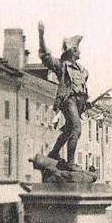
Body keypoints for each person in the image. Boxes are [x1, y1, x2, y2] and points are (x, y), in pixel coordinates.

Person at [38, 21, 89, 170]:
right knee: (75, 129)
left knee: (67, 131)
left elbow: (82, 89)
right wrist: (41, 37)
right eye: (78, 49)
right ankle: (71, 162)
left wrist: (86, 104)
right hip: (68, 101)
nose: (80, 51)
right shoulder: (62, 65)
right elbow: (46, 57)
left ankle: (54, 153)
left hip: (78, 103)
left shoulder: (82, 70)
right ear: (72, 51)